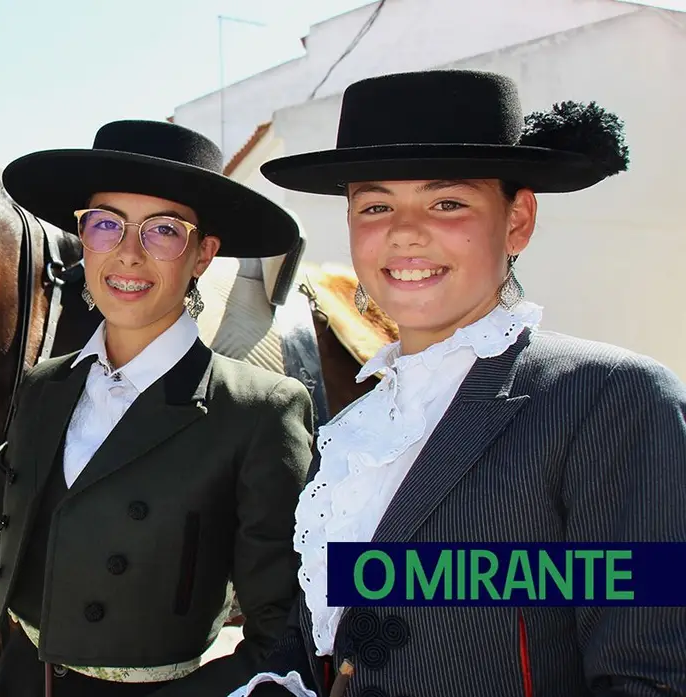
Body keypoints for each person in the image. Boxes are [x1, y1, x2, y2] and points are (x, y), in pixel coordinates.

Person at [228, 69, 686, 697]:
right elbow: (321, 640)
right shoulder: (354, 431)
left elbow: (653, 678)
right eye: (375, 206)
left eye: (447, 203)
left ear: (517, 220)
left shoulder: (613, 400)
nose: (405, 231)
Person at [0, 119, 316, 696]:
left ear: (203, 254)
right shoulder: (45, 386)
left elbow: (281, 633)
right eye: (107, 225)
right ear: (84, 238)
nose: (128, 254)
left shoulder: (258, 414)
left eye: (163, 231)